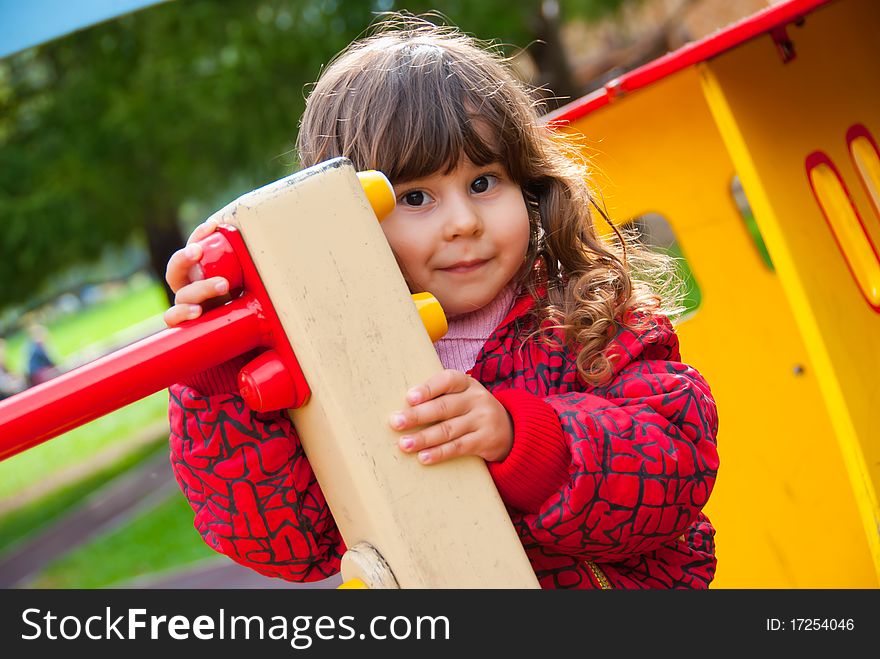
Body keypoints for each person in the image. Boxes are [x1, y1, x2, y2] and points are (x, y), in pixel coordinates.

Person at [164, 15, 718, 589]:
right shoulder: (336, 362)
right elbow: (289, 543)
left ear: (526, 183)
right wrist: (222, 376)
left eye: (484, 182)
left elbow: (678, 464)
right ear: (346, 218)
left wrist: (522, 439)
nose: (462, 223)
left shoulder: (584, 317)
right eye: (416, 197)